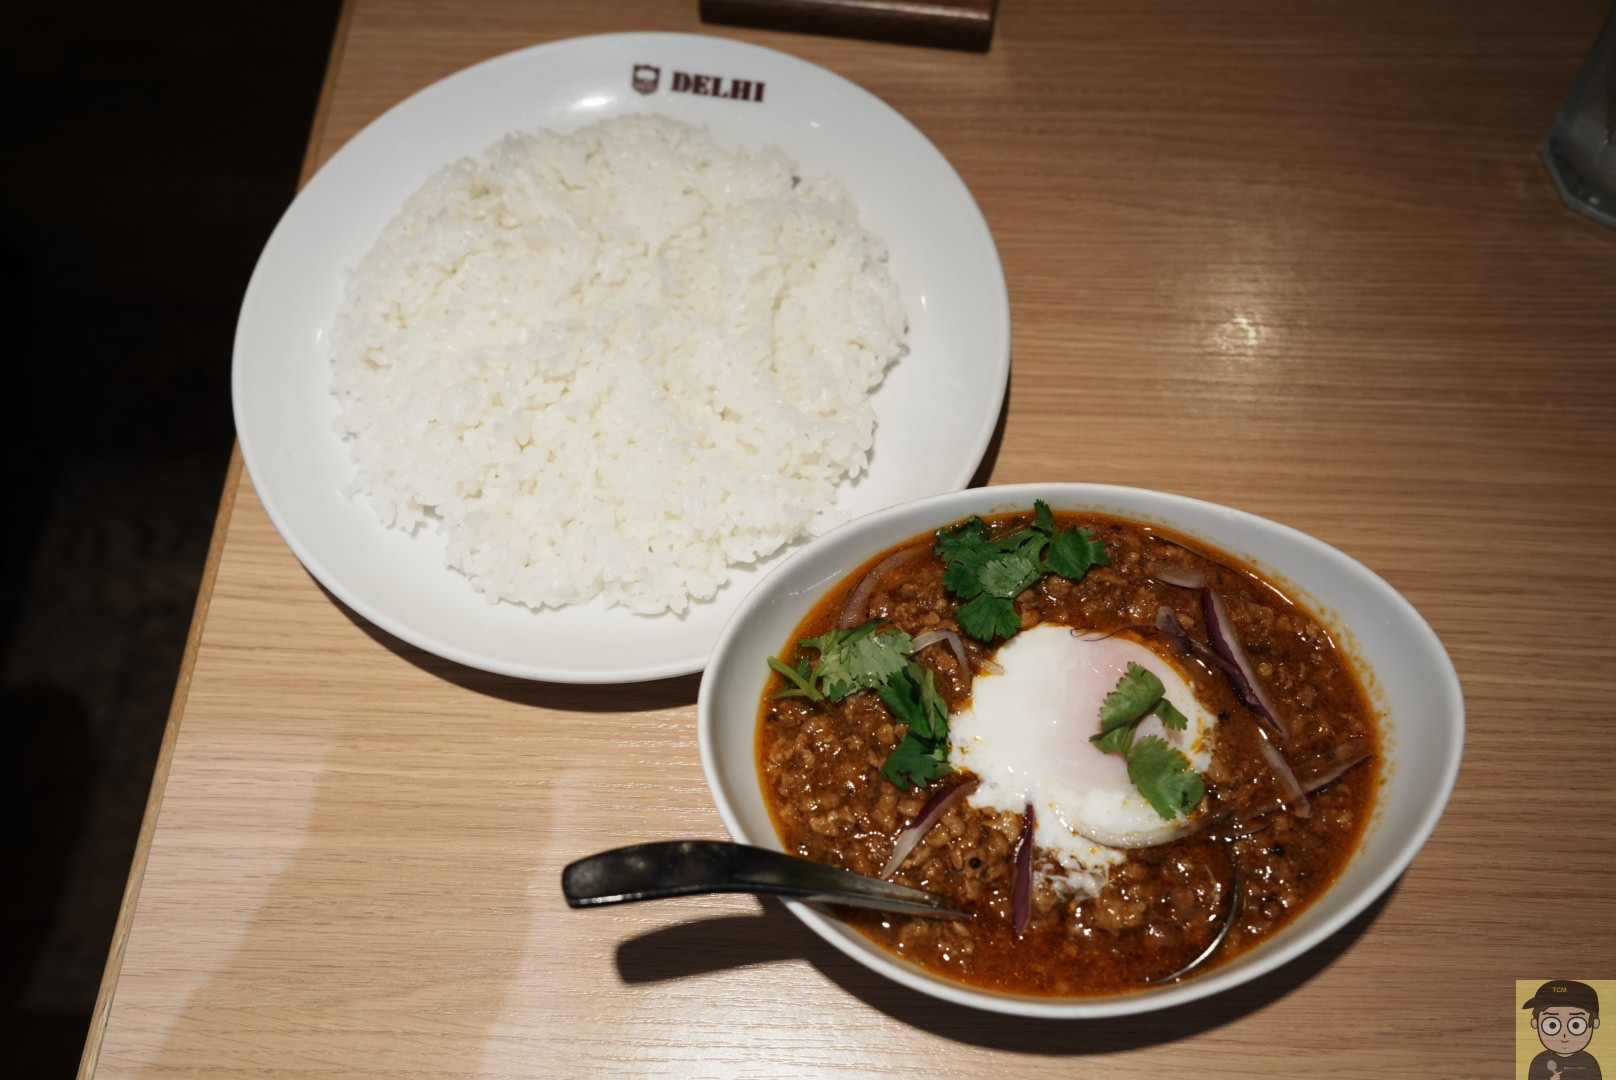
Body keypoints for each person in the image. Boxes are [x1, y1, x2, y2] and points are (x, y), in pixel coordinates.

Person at [1524, 980, 1603, 1079]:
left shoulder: (1589, 1062)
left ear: (1595, 1023)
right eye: (1552, 1025)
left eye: (1576, 1025)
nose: (1564, 1036)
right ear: (1535, 1023)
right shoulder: (1539, 1062)